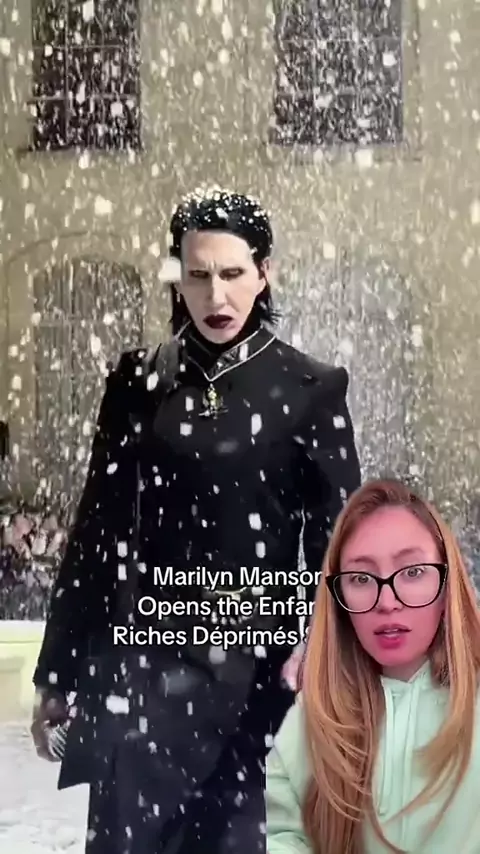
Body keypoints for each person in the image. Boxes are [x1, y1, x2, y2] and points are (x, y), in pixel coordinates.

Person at [31, 187, 361, 854]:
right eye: (199, 274)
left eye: (233, 273)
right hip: (138, 688)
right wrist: (57, 673)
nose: (216, 295)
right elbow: (96, 535)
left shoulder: (310, 389)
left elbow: (340, 550)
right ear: (177, 276)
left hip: (256, 695)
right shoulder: (136, 384)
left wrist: (329, 657)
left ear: (264, 273)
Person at [266, 478, 480, 854]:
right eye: (362, 578)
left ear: (447, 584)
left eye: (412, 572)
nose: (386, 601)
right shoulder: (306, 729)